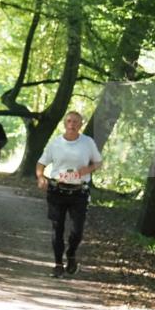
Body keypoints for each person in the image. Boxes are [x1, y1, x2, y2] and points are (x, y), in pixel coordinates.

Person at [36, 111, 103, 277]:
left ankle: (71, 254)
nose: (72, 124)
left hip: (79, 192)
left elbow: (98, 162)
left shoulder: (88, 142)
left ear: (80, 125)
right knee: (57, 228)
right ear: (64, 124)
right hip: (57, 190)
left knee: (77, 230)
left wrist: (87, 169)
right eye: (69, 121)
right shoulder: (55, 143)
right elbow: (41, 163)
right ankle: (58, 264)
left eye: (75, 122)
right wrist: (40, 177)